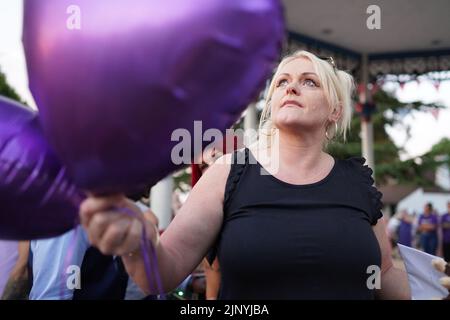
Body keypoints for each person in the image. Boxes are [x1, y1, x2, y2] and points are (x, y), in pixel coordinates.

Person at [79, 50, 411, 299]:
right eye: (282, 81)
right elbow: (161, 274)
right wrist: (138, 244)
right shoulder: (229, 173)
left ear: (335, 111)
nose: (291, 88)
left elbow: (384, 273)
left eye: (309, 82)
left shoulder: (357, 182)